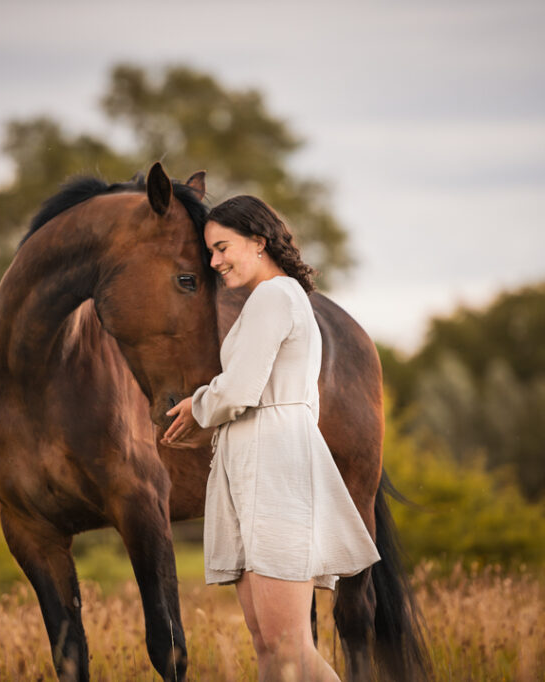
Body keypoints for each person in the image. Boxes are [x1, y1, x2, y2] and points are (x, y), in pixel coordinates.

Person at [161, 195, 380, 681]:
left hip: (273, 468)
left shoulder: (274, 296)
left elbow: (240, 388)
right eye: (210, 252)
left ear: (258, 242)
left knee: (288, 648)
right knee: (267, 648)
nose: (214, 262)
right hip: (255, 460)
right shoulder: (275, 299)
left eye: (222, 248)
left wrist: (197, 408)